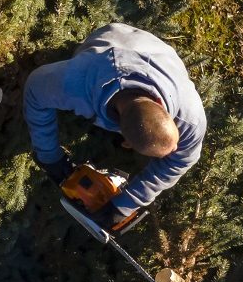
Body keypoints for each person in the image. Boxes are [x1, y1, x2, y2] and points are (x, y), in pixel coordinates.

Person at [22, 22, 207, 231]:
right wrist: (49, 156)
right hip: (108, 40)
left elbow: (181, 160)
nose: (176, 149)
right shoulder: (78, 84)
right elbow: (34, 90)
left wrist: (124, 206)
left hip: (154, 49)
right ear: (125, 142)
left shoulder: (190, 117)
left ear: (161, 106)